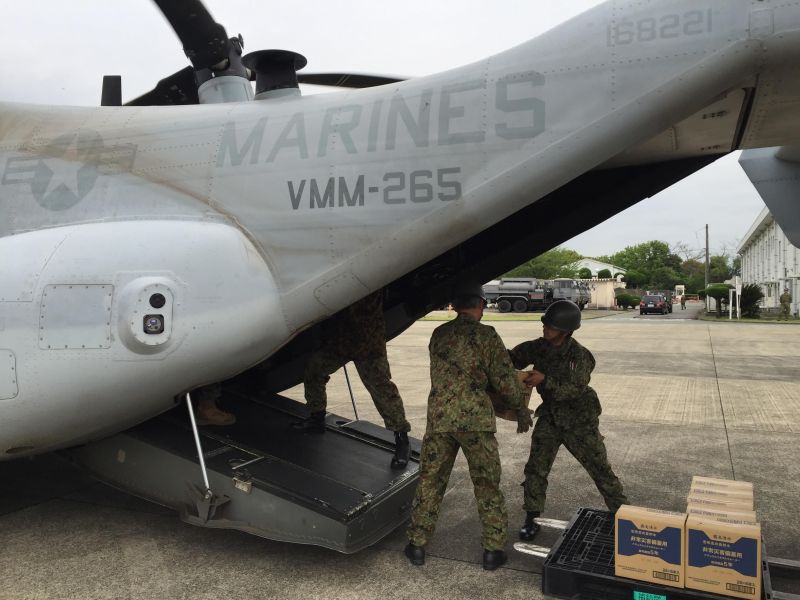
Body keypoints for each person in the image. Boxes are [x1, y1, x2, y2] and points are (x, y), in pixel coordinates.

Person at [405, 282, 531, 571]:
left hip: (440, 420)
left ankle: (416, 546)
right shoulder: (486, 335)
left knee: (430, 481)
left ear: (454, 305)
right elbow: (502, 378)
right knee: (487, 485)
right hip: (475, 423)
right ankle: (492, 551)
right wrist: (520, 408)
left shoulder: (439, 334)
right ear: (480, 305)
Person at [509, 300, 627, 541]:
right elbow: (512, 358)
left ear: (566, 330)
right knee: (536, 468)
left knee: (600, 469)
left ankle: (623, 515)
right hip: (551, 417)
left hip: (579, 419)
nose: (545, 328)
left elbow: (573, 389)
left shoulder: (580, 356)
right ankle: (532, 518)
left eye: (550, 326)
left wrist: (544, 380)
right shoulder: (538, 347)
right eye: (545, 324)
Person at [292, 289, 412, 469]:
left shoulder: (372, 277)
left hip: (368, 343)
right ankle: (317, 418)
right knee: (314, 369)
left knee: (382, 389)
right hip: (340, 341)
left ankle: (402, 439)